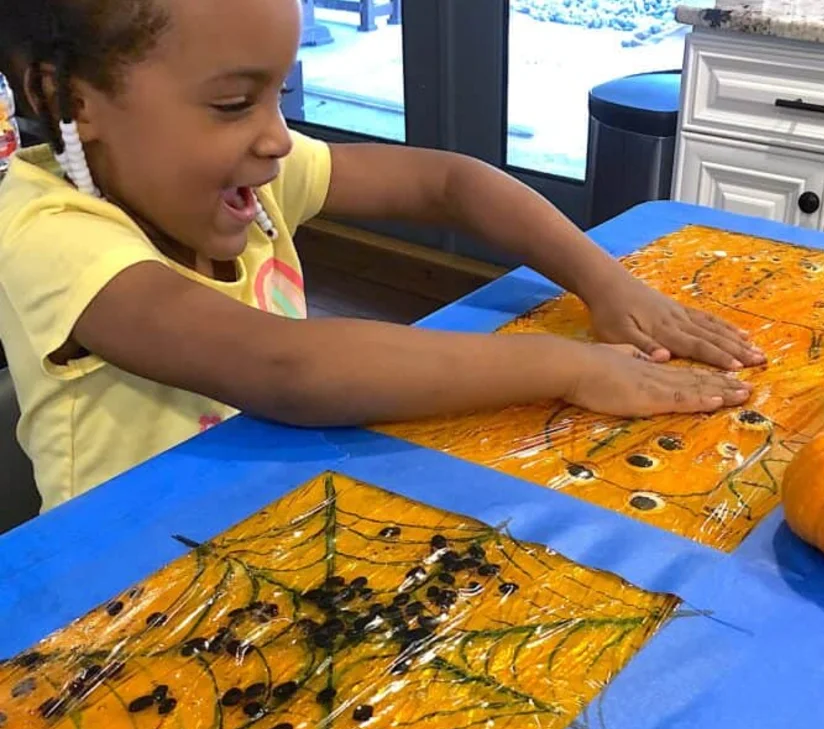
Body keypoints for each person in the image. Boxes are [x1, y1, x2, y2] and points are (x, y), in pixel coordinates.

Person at [0, 0, 761, 513]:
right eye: (233, 104)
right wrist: (569, 367)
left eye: (279, 95)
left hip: (267, 511)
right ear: (70, 99)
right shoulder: (50, 234)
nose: (277, 138)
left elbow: (452, 184)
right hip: (112, 588)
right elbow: (287, 368)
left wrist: (607, 284)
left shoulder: (248, 179)